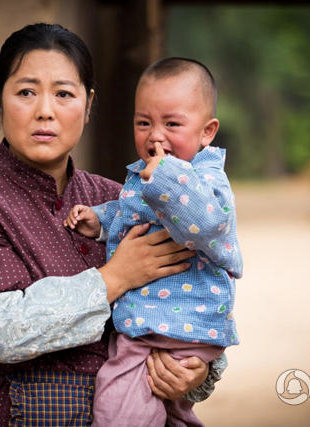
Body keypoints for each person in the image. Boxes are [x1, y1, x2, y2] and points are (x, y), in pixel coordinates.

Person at [0, 23, 227, 427]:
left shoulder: (125, 198)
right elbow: (0, 332)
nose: (44, 111)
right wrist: (115, 277)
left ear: (88, 105)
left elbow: (190, 293)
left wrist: (195, 372)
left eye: (64, 94)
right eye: (26, 92)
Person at [64, 57, 242, 426]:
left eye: (172, 124)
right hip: (161, 326)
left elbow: (205, 223)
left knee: (117, 406)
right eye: (143, 123)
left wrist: (164, 175)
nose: (155, 135)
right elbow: (136, 214)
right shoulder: (147, 176)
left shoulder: (205, 179)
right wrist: (100, 219)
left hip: (174, 326)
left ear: (207, 132)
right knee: (171, 412)